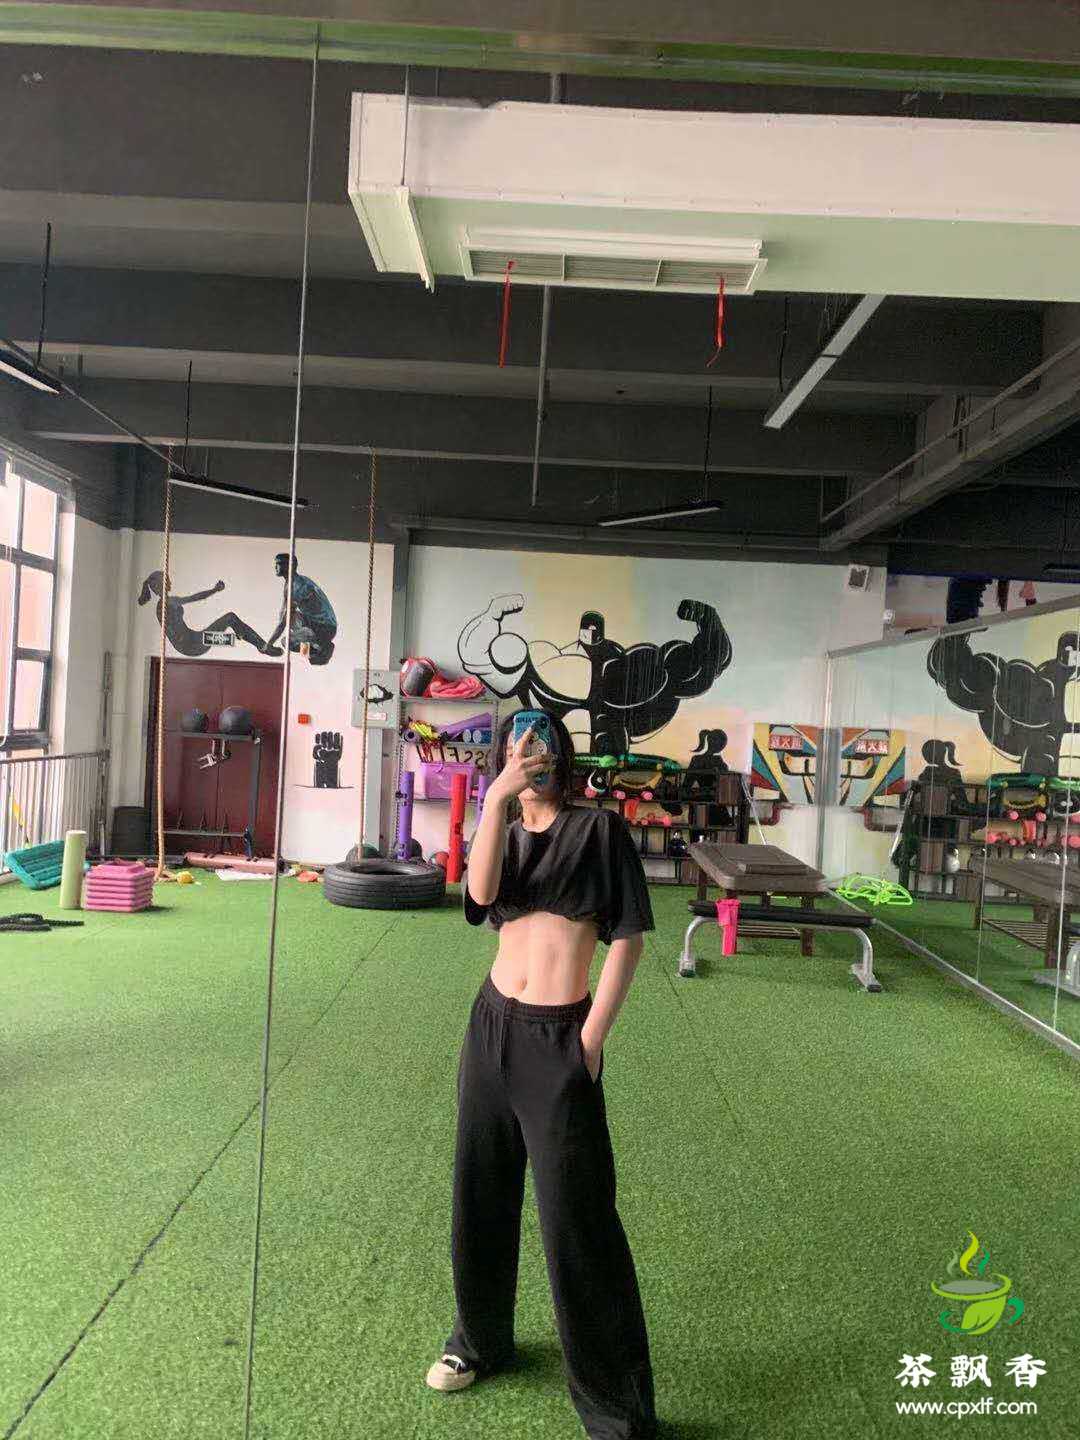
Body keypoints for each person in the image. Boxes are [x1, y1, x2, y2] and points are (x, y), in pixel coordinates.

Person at [426, 710, 658, 1440]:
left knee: (577, 1218)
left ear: (563, 754)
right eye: (518, 747)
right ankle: (478, 1341)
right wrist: (495, 800)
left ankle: (614, 1406)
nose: (532, 756)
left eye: (542, 744)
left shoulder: (599, 831)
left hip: (560, 1037)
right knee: (480, 1190)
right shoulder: (502, 824)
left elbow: (628, 940)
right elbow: (480, 897)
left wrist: (590, 1040)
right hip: (491, 1026)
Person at [137, 570, 274, 657]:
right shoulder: (166, 604)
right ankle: (261, 645)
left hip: (193, 640)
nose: (170, 582)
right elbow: (196, 598)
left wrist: (214, 590)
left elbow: (194, 599)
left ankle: (246, 637)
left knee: (230, 637)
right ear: (159, 585)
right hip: (192, 644)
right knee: (230, 619)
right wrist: (215, 590)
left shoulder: (167, 602)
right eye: (167, 580)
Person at [265, 552, 337, 666]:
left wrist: (269, 644)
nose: (275, 567)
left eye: (278, 564)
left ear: (288, 566)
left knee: (286, 641)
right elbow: (283, 614)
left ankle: (321, 649)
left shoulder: (297, 587)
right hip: (319, 623)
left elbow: (283, 622)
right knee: (292, 618)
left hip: (324, 628)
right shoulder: (292, 582)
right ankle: (315, 650)